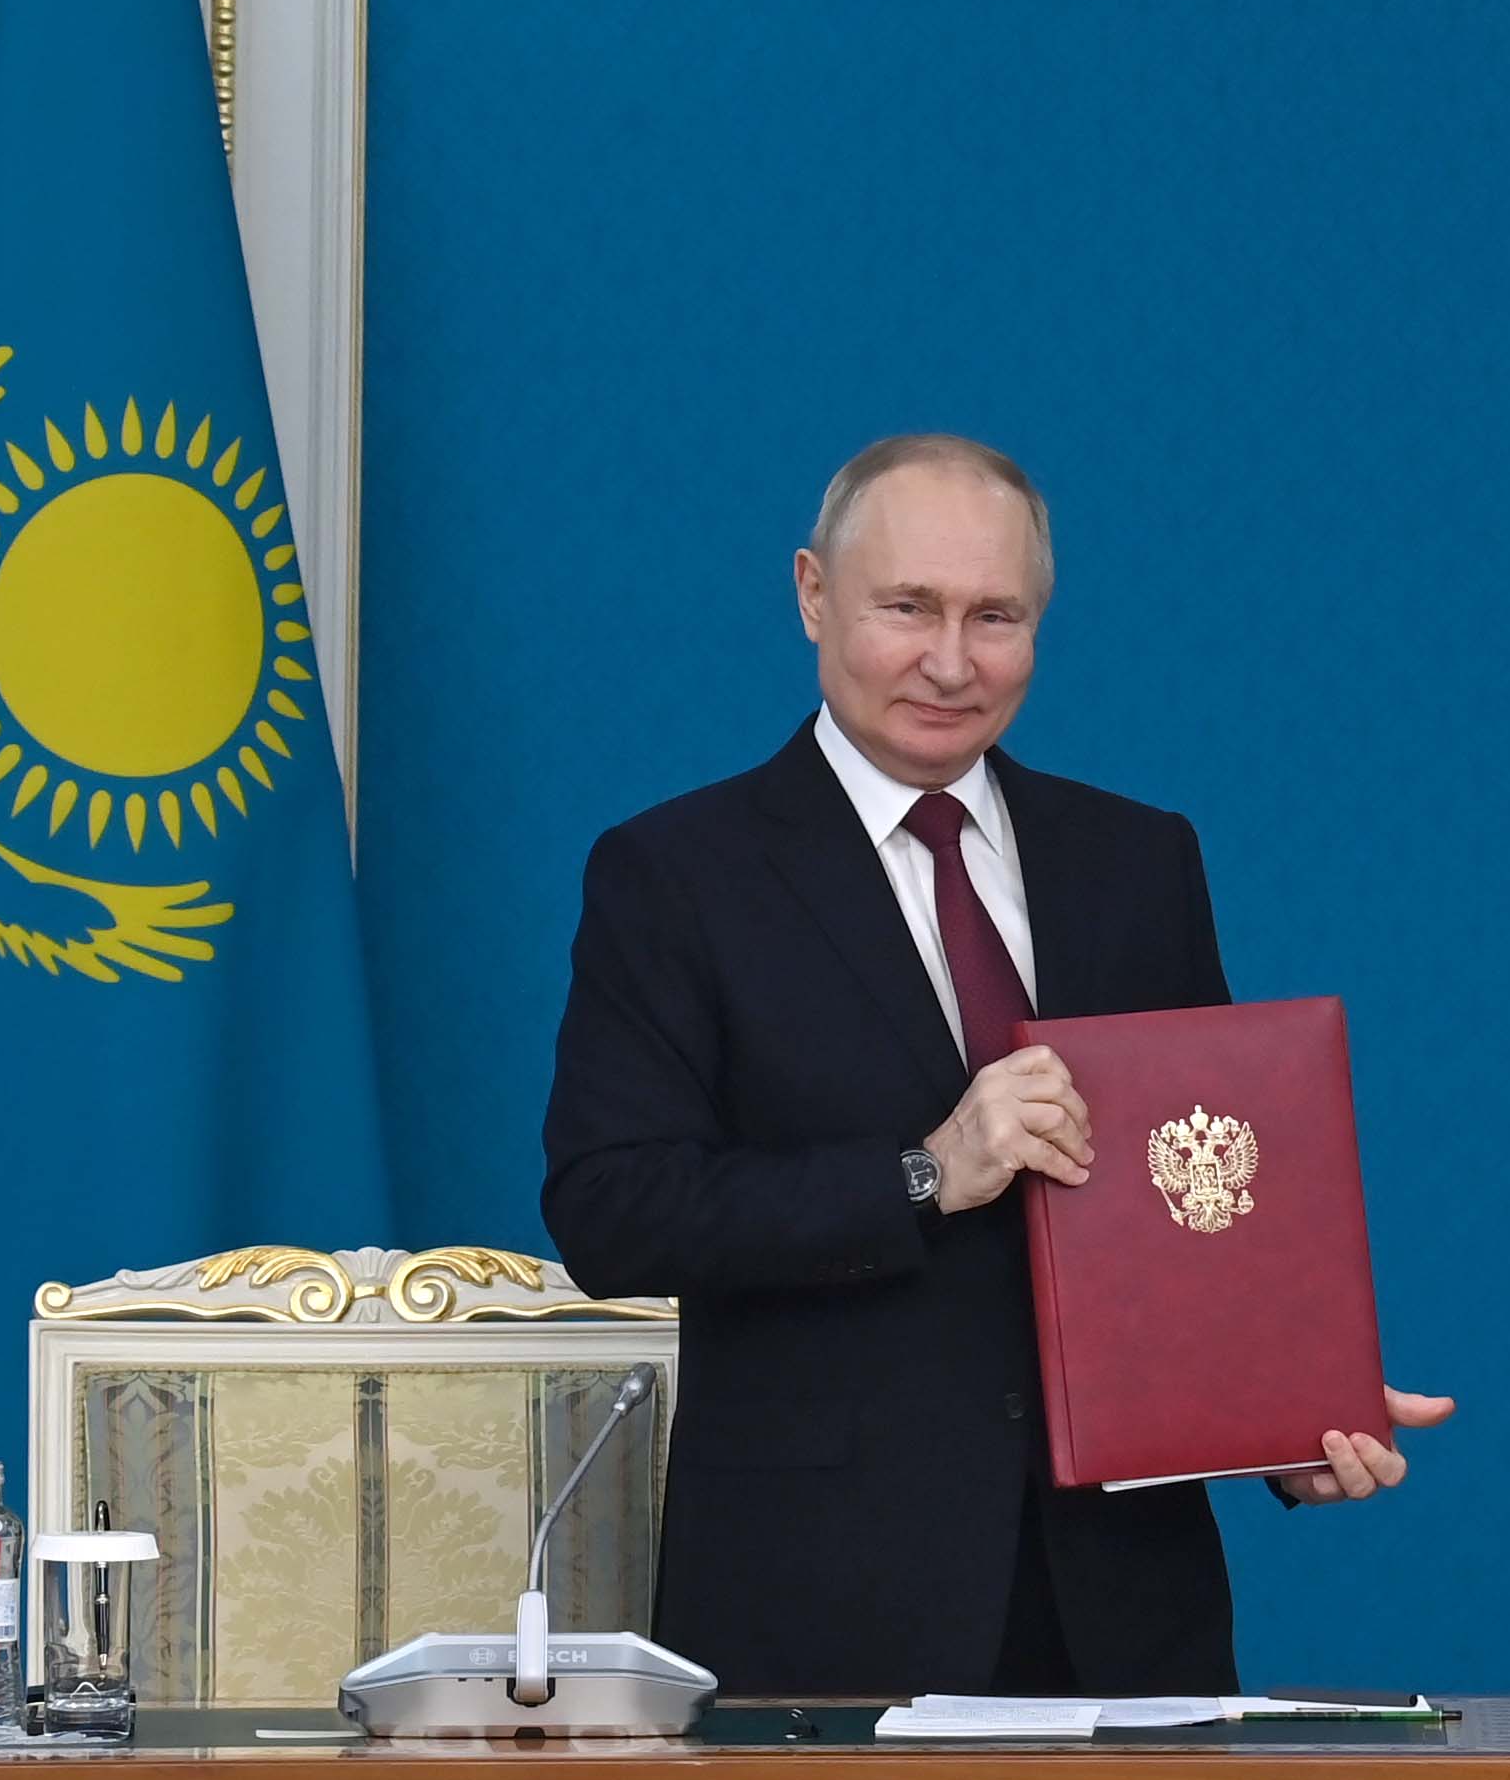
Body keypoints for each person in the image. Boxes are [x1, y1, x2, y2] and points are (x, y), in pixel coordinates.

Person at [542, 434, 1448, 1694]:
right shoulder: (675, 874)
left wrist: (1274, 1419)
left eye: (994, 616)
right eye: (907, 607)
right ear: (812, 594)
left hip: (1122, 1605)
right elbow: (612, 1210)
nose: (951, 661)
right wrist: (921, 1172)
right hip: (822, 1606)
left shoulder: (1138, 860)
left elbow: (1194, 1203)